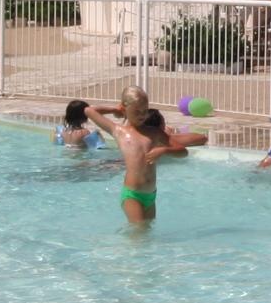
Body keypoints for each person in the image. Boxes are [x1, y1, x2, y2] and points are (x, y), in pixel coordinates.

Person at [81, 87, 195, 224]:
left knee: (146, 231)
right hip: (132, 195)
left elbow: (183, 152)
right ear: (125, 109)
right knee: (139, 229)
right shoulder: (119, 131)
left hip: (150, 195)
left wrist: (164, 150)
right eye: (137, 111)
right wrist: (115, 109)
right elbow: (88, 110)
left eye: (144, 111)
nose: (142, 115)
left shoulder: (155, 133)